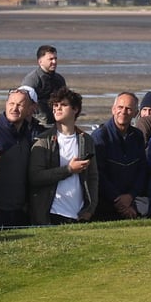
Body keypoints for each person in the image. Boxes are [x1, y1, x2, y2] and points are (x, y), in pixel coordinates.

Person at [27, 88, 98, 224]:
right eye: (55, 105)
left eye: (63, 105)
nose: (58, 108)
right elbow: (35, 177)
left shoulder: (86, 140)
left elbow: (93, 177)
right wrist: (68, 169)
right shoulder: (42, 140)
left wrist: (90, 209)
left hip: (79, 213)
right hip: (51, 213)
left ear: (75, 109)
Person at [0, 86, 43, 228]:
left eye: (20, 105)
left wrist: (26, 204)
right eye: (11, 104)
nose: (15, 108)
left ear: (30, 109)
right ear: (6, 105)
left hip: (20, 211)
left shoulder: (28, 134)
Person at [91, 92, 149, 220]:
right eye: (120, 107)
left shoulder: (137, 136)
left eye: (128, 109)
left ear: (135, 113)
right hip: (105, 204)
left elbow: (142, 169)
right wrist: (118, 200)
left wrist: (130, 196)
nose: (123, 111)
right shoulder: (100, 136)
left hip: (131, 200)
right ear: (113, 109)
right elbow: (98, 174)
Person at [22, 45, 67, 120]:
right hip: (36, 125)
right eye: (51, 59)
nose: (54, 62)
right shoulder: (32, 80)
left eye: (55, 58)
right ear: (40, 62)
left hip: (56, 123)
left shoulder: (60, 79)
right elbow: (23, 104)